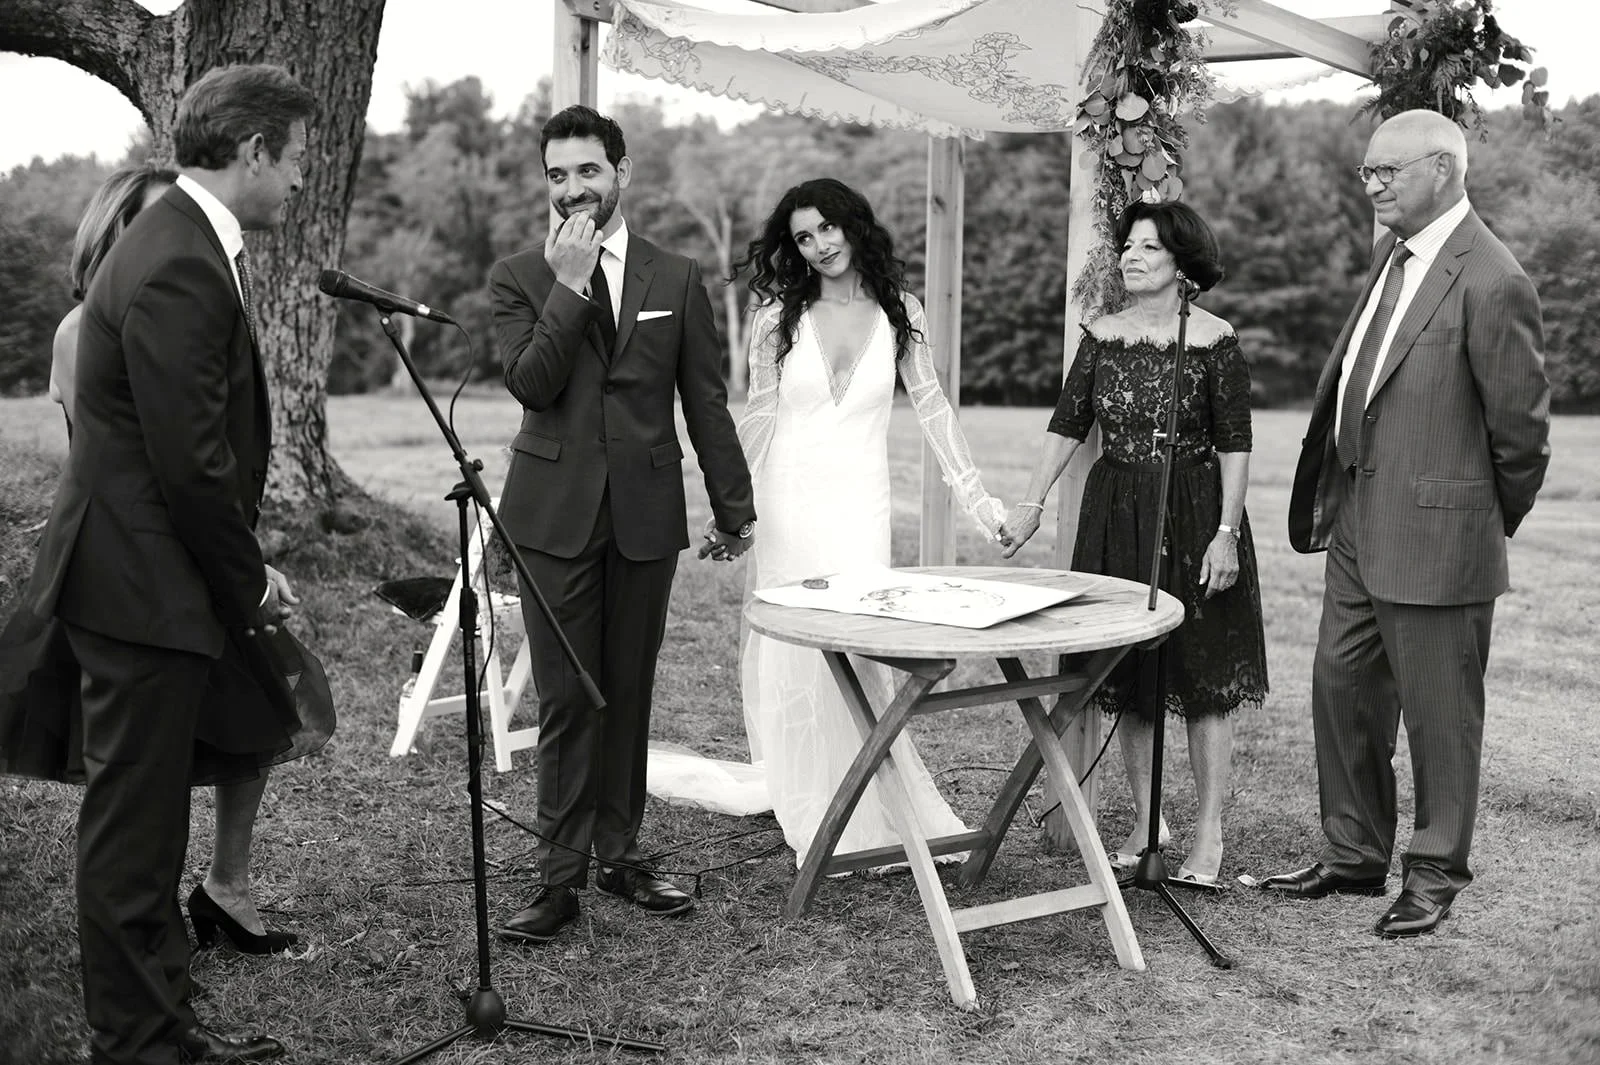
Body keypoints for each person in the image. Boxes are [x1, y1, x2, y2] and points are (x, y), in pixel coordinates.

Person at [0, 63, 313, 1064]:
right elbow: (191, 461)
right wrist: (246, 576)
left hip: (144, 574)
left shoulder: (179, 239)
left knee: (143, 817)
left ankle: (158, 1023)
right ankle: (138, 1041)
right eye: (297, 158)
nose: (303, 179)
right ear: (254, 150)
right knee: (133, 832)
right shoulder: (178, 255)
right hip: (141, 581)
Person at [1262, 110, 1551, 938]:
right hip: (1358, 521)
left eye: (1386, 172)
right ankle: (1353, 853)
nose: (1373, 185)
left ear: (1443, 169)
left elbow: (1521, 438)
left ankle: (1434, 872)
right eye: (1366, 173)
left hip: (1440, 537)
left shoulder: (1493, 278)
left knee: (1440, 714)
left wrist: (1473, 520)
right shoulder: (1394, 258)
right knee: (1340, 688)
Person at [487, 105, 756, 944]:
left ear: (622, 171)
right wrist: (567, 287)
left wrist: (733, 508)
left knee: (628, 690)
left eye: (588, 172)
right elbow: (532, 383)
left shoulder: (674, 278)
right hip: (552, 519)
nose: (573, 189)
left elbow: (704, 400)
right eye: (558, 175)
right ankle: (558, 877)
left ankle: (620, 853)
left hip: (644, 516)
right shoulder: (519, 276)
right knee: (570, 696)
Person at [47, 162, 304, 958]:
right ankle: (147, 973)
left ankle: (224, 888)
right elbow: (116, 466)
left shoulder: (186, 298)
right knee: (140, 793)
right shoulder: (85, 328)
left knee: (256, 710)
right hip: (143, 574)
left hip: (201, 561)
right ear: (115, 232)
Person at [730, 177, 1010, 868]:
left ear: (853, 225)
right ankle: (803, 790)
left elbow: (936, 410)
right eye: (803, 236)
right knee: (794, 649)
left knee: (859, 647)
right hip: (787, 502)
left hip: (860, 504)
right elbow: (759, 418)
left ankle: (865, 789)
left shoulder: (898, 309)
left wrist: (984, 507)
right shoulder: (777, 316)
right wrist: (731, 506)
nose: (820, 245)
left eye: (828, 228)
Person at [1002, 200, 1268, 890]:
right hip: (1117, 509)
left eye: (1150, 247)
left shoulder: (1214, 338)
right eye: (1129, 244)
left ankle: (1209, 830)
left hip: (1196, 506)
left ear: (1184, 264)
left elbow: (1236, 443)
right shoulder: (1102, 334)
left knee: (1203, 674)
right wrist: (1030, 505)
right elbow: (1067, 424)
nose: (1133, 255)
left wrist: (1226, 533)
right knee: (1131, 673)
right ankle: (1149, 823)